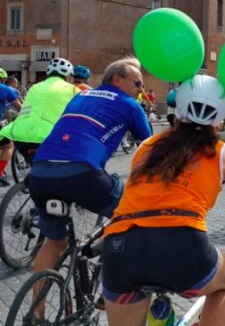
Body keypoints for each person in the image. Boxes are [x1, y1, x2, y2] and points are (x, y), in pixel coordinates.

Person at [102, 74, 225, 326]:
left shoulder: (147, 147)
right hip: (182, 243)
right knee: (224, 283)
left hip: (120, 244)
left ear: (179, 110)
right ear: (220, 118)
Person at [27, 57, 152, 283]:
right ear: (117, 79)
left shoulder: (80, 95)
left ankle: (37, 315)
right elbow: (151, 147)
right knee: (132, 217)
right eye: (137, 84)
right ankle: (114, 281)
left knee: (54, 243)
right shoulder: (130, 105)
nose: (140, 90)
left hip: (39, 174)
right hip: (82, 175)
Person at [0, 58, 78, 181]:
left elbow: (26, 108)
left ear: (48, 73)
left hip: (20, 135)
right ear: (68, 76)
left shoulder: (35, 87)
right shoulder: (73, 89)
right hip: (48, 136)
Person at [0, 70, 22, 186]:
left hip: (6, 117)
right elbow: (20, 108)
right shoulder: (6, 89)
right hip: (5, 119)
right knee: (8, 146)